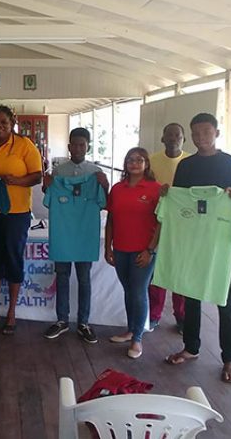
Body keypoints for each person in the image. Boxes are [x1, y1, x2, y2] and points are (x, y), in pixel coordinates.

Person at [164, 113, 231, 384]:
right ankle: (191, 347)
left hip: (220, 243)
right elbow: (178, 202)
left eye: (206, 131)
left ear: (216, 132)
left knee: (226, 300)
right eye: (197, 133)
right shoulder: (186, 165)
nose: (202, 137)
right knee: (192, 294)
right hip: (193, 241)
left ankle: (230, 357)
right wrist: (167, 195)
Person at [0, 105, 43, 335]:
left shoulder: (25, 145)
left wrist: (14, 181)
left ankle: (11, 313)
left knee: (13, 258)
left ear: (12, 122)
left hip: (17, 213)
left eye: (4, 122)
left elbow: (37, 176)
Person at [42, 127, 108, 344]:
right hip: (62, 236)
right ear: (69, 146)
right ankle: (62, 320)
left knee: (84, 278)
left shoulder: (95, 173)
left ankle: (83, 322)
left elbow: (104, 201)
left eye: (82, 144)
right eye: (75, 144)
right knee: (61, 276)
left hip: (85, 236)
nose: (78, 148)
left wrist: (104, 185)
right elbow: (47, 195)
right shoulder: (58, 172)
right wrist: (47, 185)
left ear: (87, 146)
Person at [104, 148, 161, 359]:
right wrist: (107, 247)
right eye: (130, 160)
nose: (134, 163)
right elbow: (111, 220)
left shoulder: (156, 190)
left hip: (143, 251)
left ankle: (137, 338)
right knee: (128, 290)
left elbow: (161, 223)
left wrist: (150, 250)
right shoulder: (118, 189)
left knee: (138, 291)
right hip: (120, 249)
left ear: (146, 163)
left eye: (139, 160)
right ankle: (130, 329)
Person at [147, 123, 189, 333]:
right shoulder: (152, 161)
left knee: (180, 272)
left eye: (177, 135)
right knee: (157, 271)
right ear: (162, 138)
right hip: (157, 222)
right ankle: (154, 315)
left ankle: (181, 316)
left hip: (183, 225)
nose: (173, 138)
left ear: (184, 139)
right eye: (169, 135)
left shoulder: (191, 162)